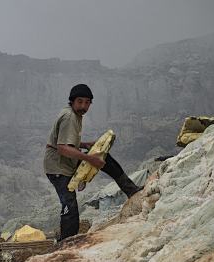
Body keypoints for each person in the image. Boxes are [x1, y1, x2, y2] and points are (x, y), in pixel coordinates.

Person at [43, 84, 143, 241]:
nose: (83, 106)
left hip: (66, 162)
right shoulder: (69, 117)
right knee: (70, 207)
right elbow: (62, 148)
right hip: (57, 168)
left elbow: (66, 142)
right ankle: (65, 243)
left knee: (103, 157)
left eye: (87, 102)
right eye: (80, 101)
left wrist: (85, 145)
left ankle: (130, 189)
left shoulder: (75, 115)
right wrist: (88, 159)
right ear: (72, 101)